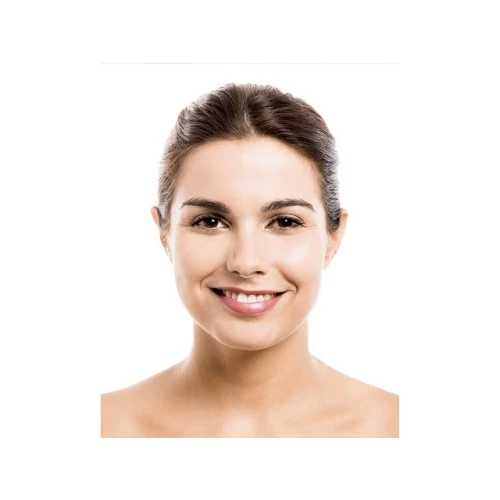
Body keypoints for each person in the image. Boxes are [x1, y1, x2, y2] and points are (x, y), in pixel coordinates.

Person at [101, 83, 399, 438]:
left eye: (285, 222)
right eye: (210, 221)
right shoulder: (104, 427)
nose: (246, 262)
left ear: (333, 237)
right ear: (164, 233)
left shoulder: (394, 427)